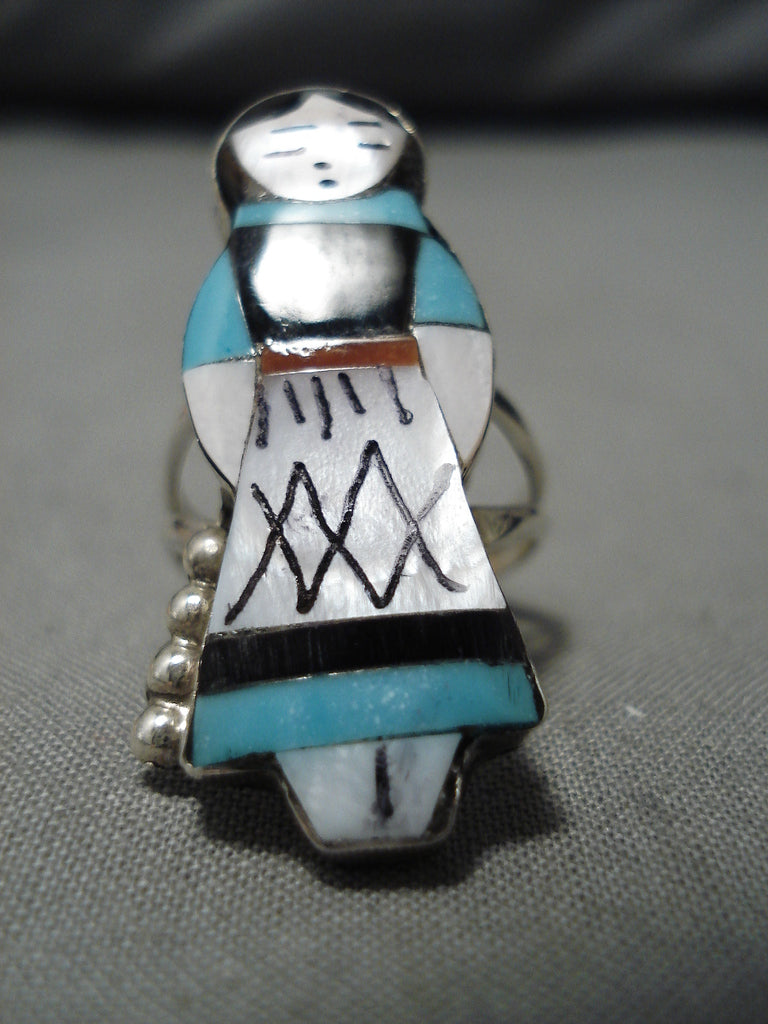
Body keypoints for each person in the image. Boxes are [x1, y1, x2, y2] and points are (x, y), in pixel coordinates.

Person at [181, 88, 544, 849]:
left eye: (357, 141)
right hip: (295, 461)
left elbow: (455, 342)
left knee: (418, 601)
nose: (321, 158)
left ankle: (417, 765)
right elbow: (217, 370)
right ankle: (327, 778)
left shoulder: (414, 243)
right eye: (287, 150)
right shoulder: (246, 253)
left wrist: (446, 459)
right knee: (293, 604)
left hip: (401, 452)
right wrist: (244, 464)